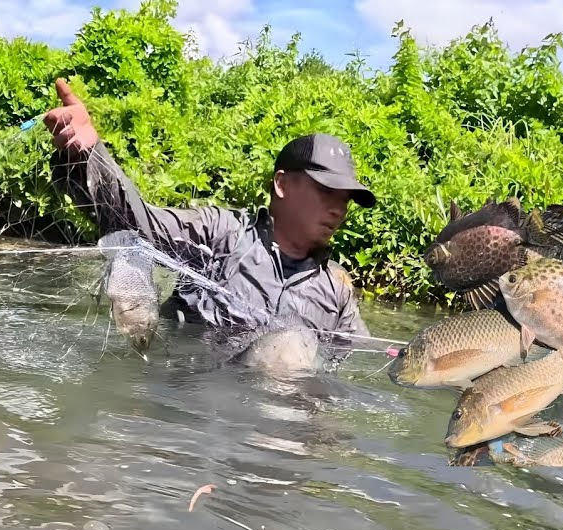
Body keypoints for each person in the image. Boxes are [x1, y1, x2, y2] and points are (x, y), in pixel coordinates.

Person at [43, 78, 373, 349]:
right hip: (191, 419)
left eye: (345, 200)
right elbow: (139, 227)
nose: (338, 209)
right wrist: (89, 154)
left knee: (292, 354)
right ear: (282, 185)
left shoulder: (337, 289)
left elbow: (362, 370)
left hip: (280, 427)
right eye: (326, 191)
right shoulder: (220, 235)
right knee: (287, 350)